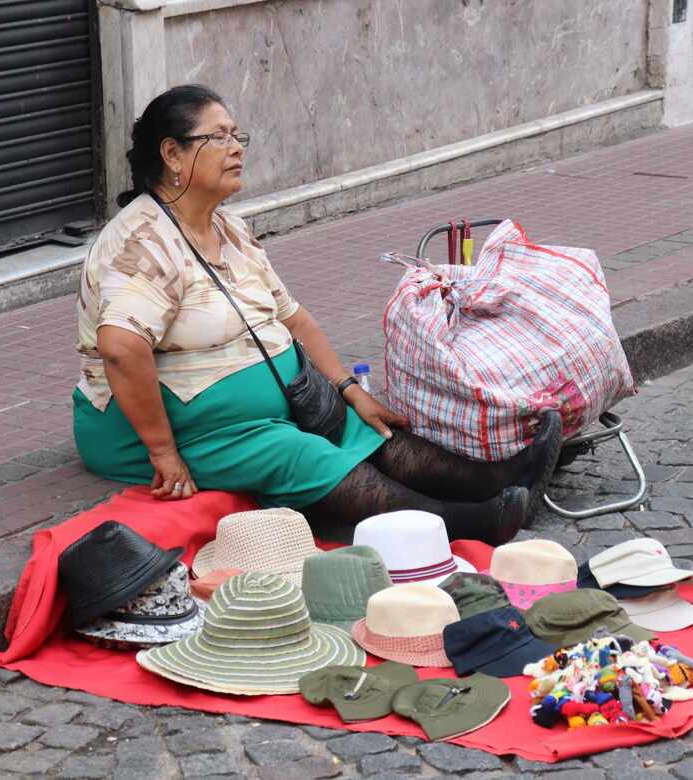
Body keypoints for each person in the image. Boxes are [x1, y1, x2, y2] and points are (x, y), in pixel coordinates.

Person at [72, 84, 563, 545]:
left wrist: (349, 390)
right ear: (172, 154)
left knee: (362, 428)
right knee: (297, 453)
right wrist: (163, 452)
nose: (236, 147)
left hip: (274, 399)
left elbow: (295, 319)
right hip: (163, 427)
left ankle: (498, 477)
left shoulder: (230, 228)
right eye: (217, 137)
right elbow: (121, 348)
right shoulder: (139, 242)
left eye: (236, 135)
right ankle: (462, 523)